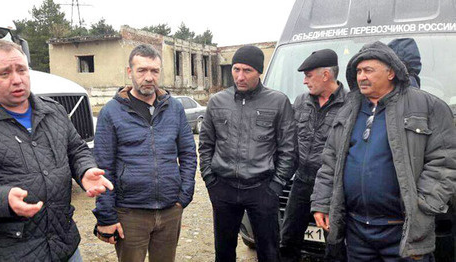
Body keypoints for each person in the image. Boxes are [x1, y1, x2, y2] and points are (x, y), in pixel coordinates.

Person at [0, 40, 113, 261]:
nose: (17, 79)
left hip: (63, 245)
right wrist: (3, 199)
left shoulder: (55, 112)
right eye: (4, 73)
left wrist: (85, 170)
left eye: (22, 70)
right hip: (10, 252)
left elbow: (77, 150)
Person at [311, 41, 456, 261]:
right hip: (357, 230)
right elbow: (331, 160)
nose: (361, 77)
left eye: (368, 70)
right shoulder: (349, 109)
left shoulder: (428, 106)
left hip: (403, 230)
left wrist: (423, 205)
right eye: (358, 71)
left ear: (391, 72)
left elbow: (444, 161)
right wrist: (321, 202)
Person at [92, 44, 197, 262]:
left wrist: (183, 196)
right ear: (130, 72)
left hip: (170, 210)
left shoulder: (174, 108)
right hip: (130, 212)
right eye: (142, 70)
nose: (149, 77)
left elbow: (188, 153)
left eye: (154, 71)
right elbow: (103, 167)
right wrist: (106, 216)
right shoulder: (111, 112)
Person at [199, 45, 298, 262]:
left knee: (269, 252)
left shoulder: (278, 102)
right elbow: (206, 145)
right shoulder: (217, 102)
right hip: (223, 189)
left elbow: (289, 150)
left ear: (259, 72)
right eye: (236, 69)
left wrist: (275, 186)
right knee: (223, 252)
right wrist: (210, 181)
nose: (240, 76)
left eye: (247, 70)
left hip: (261, 189)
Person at [279, 49, 347, 261]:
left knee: (335, 245)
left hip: (333, 188)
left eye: (308, 75)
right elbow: (288, 141)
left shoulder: (351, 105)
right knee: (288, 240)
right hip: (300, 182)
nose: (305, 81)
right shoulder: (301, 101)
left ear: (326, 75)